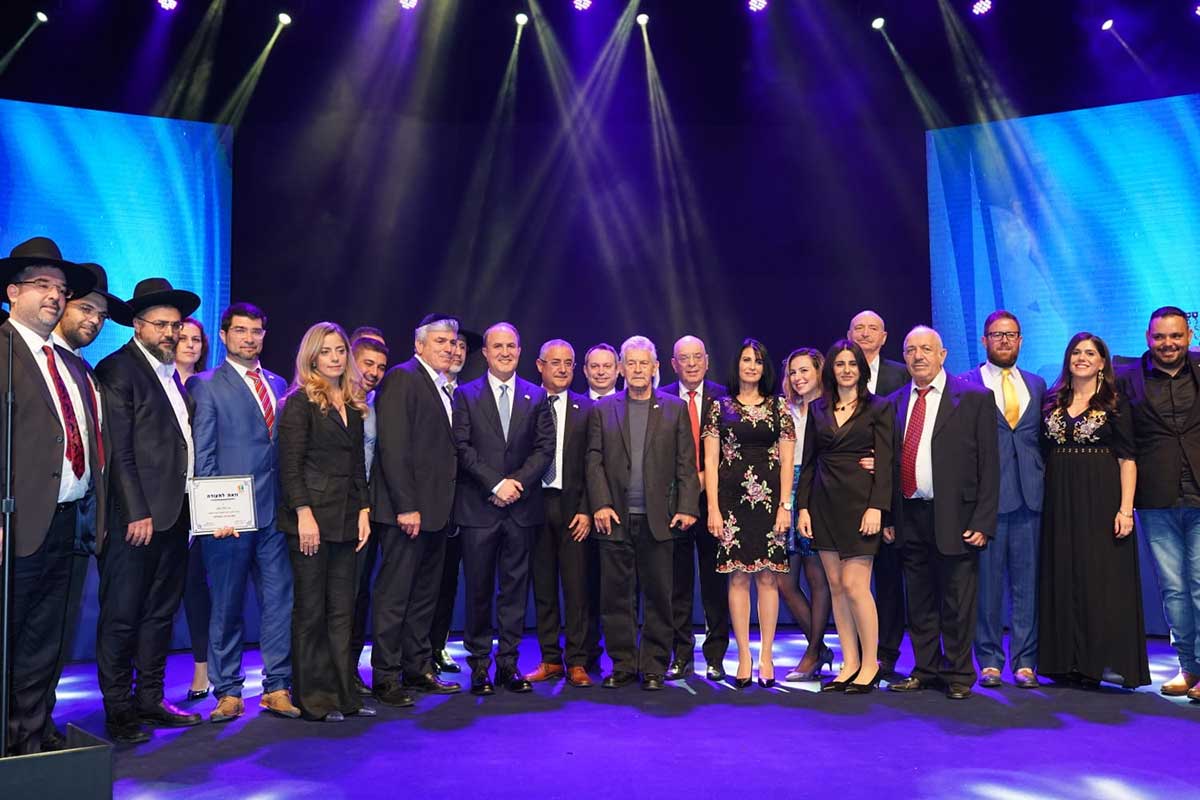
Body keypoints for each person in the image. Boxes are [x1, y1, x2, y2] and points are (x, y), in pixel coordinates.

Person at [0, 237, 100, 755]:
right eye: (42, 284)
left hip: (66, 521)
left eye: (61, 288)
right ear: (13, 292)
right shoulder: (2, 348)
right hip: (15, 524)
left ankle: (30, 736)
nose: (55, 295)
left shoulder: (70, 365)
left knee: (45, 640)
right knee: (9, 637)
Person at [96, 277, 204, 741]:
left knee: (160, 613)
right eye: (160, 325)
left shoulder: (169, 373)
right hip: (135, 518)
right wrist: (136, 510)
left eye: (175, 326)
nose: (170, 333)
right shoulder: (118, 369)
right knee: (122, 615)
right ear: (137, 325)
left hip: (175, 514)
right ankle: (119, 709)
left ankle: (150, 698)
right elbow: (118, 450)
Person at [187, 302, 298, 723]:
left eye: (256, 331)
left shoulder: (278, 382)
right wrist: (215, 514)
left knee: (279, 602)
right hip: (229, 517)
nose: (249, 338)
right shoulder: (205, 384)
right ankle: (229, 692)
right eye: (240, 330)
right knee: (226, 605)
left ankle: (277, 687)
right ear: (223, 335)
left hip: (274, 513)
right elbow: (204, 453)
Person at [885, 326, 998, 700]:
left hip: (957, 517)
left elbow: (989, 465)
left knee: (957, 602)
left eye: (926, 349)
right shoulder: (894, 402)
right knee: (919, 601)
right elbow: (889, 464)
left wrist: (983, 520)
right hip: (909, 514)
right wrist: (889, 516)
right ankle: (926, 669)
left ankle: (960, 674)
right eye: (910, 350)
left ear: (942, 354)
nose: (918, 356)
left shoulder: (975, 398)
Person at [43, 261, 126, 749]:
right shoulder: (31, 361)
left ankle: (37, 724)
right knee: (27, 632)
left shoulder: (83, 370)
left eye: (101, 315)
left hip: (78, 519)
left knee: (56, 633)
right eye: (86, 309)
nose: (94, 321)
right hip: (33, 518)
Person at [587, 335, 700, 690]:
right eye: (631, 363)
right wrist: (600, 503)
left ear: (655, 368)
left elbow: (686, 462)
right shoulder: (603, 409)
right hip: (615, 518)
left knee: (659, 597)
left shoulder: (674, 408)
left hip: (660, 518)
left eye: (644, 363)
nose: (638, 369)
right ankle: (622, 664)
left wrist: (687, 506)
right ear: (621, 368)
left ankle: (653, 666)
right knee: (615, 597)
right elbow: (593, 461)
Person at [278, 322, 377, 720]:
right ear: (312, 357)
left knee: (342, 612)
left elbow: (357, 466)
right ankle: (313, 699)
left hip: (347, 518)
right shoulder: (299, 402)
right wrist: (304, 514)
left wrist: (365, 510)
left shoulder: (352, 402)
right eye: (326, 351)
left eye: (340, 350)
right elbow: (290, 467)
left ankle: (343, 696)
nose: (335, 358)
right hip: (311, 520)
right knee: (311, 612)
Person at [1039, 333, 1150, 689]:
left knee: (1099, 580)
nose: (1082, 358)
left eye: (1090, 353)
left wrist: (1125, 510)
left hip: (1101, 500)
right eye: (1076, 352)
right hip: (1059, 501)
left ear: (1102, 362)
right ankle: (1064, 661)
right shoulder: (1051, 400)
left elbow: (1127, 458)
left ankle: (1096, 664)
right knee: (1063, 575)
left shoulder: (1115, 402)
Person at [452, 322, 554, 695]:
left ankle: (508, 665)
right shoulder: (465, 395)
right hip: (479, 508)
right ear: (486, 353)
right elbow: (462, 447)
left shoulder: (536, 396)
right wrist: (495, 484)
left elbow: (544, 448)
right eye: (498, 346)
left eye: (511, 346)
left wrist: (516, 484)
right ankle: (480, 665)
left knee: (514, 591)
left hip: (521, 509)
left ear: (520, 351)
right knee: (478, 590)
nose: (505, 352)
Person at [369, 313, 462, 707]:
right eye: (440, 341)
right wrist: (406, 506)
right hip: (405, 514)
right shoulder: (403, 378)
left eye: (452, 342)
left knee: (424, 596)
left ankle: (417, 668)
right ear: (419, 344)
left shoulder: (441, 386)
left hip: (437, 514)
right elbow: (393, 446)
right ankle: (386, 677)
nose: (449, 348)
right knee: (395, 596)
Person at [796, 340, 893, 693]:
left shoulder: (879, 407)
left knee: (855, 586)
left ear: (861, 369)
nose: (847, 370)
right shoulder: (818, 408)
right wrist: (803, 508)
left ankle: (870, 664)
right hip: (823, 504)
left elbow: (886, 463)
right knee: (836, 587)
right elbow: (808, 462)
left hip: (861, 505)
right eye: (840, 364)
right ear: (831, 370)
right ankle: (849, 662)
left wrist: (877, 507)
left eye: (852, 364)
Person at [1116, 306, 1200, 699]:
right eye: (1160, 337)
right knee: (1174, 590)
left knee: (1199, 585)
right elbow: (1126, 446)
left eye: (1176, 336)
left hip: (1199, 495)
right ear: (1148, 338)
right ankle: (1189, 668)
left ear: (1189, 336)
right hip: (1155, 499)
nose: (1168, 344)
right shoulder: (1127, 379)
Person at [961, 311, 1045, 689]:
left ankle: (1025, 662)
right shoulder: (966, 384)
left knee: (1027, 587)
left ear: (1021, 340)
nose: (1005, 341)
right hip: (988, 502)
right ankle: (990, 661)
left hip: (1031, 498)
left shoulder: (1037, 385)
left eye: (1011, 335)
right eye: (997, 335)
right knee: (988, 588)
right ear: (984, 341)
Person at [703, 339, 794, 688]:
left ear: (764, 367)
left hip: (770, 505)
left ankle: (766, 656)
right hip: (731, 504)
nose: (752, 366)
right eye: (746, 360)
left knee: (768, 579)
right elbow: (711, 462)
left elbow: (787, 461)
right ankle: (743, 656)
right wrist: (713, 508)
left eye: (757, 361)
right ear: (736, 365)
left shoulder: (779, 407)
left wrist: (785, 506)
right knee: (738, 578)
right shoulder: (718, 407)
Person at [526, 339, 597, 688]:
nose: (563, 369)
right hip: (535, 507)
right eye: (555, 362)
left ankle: (578, 661)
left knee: (576, 588)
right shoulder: (527, 403)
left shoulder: (587, 409)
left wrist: (587, 510)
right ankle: (550, 658)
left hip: (574, 510)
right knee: (543, 588)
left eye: (569, 363)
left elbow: (593, 464)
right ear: (540, 366)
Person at [661, 335, 729, 681]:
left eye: (696, 357)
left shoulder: (724, 397)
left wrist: (703, 480)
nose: (691, 364)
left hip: (715, 503)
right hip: (673, 503)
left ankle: (715, 656)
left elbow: (734, 449)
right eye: (684, 358)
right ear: (673, 364)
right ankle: (681, 655)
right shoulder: (661, 397)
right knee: (678, 584)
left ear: (707, 361)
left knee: (715, 584)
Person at [847, 309, 909, 676]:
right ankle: (854, 652)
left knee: (887, 576)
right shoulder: (837, 373)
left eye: (873, 328)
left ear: (884, 338)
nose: (865, 334)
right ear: (849, 335)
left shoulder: (901, 375)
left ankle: (886, 651)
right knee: (849, 579)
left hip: (887, 490)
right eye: (859, 328)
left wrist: (884, 463)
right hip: (845, 490)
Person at [779, 348, 834, 682]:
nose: (798, 378)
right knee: (785, 582)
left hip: (818, 489)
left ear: (819, 372)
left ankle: (812, 653)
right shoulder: (783, 410)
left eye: (804, 371)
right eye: (793, 372)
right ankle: (820, 648)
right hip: (786, 490)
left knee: (817, 579)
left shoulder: (830, 408)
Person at [430, 326, 476, 675]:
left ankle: (437, 645)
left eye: (461, 346)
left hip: (462, 505)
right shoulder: (424, 388)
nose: (456, 351)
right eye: (450, 344)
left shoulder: (467, 395)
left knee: (448, 581)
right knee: (423, 582)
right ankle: (415, 652)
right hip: (429, 502)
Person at [348, 334, 389, 695]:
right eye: (368, 364)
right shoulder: (334, 400)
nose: (374, 372)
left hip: (367, 510)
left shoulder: (378, 404)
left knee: (359, 593)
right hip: (336, 510)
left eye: (380, 367)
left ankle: (349, 669)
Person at [175, 316, 213, 700]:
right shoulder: (159, 382)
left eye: (196, 339)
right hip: (169, 498)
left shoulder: (208, 385)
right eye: (183, 338)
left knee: (195, 586)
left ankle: (203, 670)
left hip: (206, 497)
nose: (189, 344)